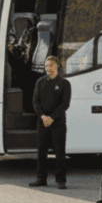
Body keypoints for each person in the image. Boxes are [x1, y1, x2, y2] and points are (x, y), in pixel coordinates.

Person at [31, 56, 72, 189]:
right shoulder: (40, 82)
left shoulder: (65, 83)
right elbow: (35, 102)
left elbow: (65, 104)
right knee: (41, 152)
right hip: (43, 122)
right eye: (46, 66)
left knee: (59, 152)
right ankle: (41, 178)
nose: (48, 68)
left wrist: (52, 118)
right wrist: (43, 117)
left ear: (57, 66)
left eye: (51, 66)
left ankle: (61, 180)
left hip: (58, 122)